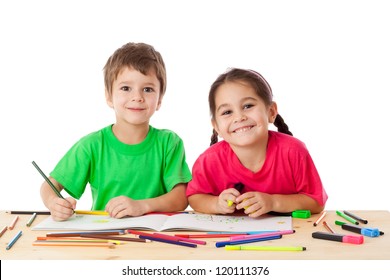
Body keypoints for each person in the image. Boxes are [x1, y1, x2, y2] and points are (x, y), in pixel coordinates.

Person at [40, 42, 192, 221]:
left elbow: (181, 197)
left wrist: (141, 206)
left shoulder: (169, 142)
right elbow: (49, 186)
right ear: (109, 96)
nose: (137, 97)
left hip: (155, 239)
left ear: (159, 100)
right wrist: (53, 203)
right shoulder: (92, 145)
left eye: (148, 89)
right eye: (126, 88)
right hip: (105, 237)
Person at [187, 68, 327, 218]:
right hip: (230, 238)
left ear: (271, 112)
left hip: (287, 236)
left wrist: (273, 202)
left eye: (248, 106)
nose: (239, 117)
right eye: (227, 112)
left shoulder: (293, 151)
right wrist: (216, 204)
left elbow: (316, 202)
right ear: (216, 127)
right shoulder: (209, 160)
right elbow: (194, 198)